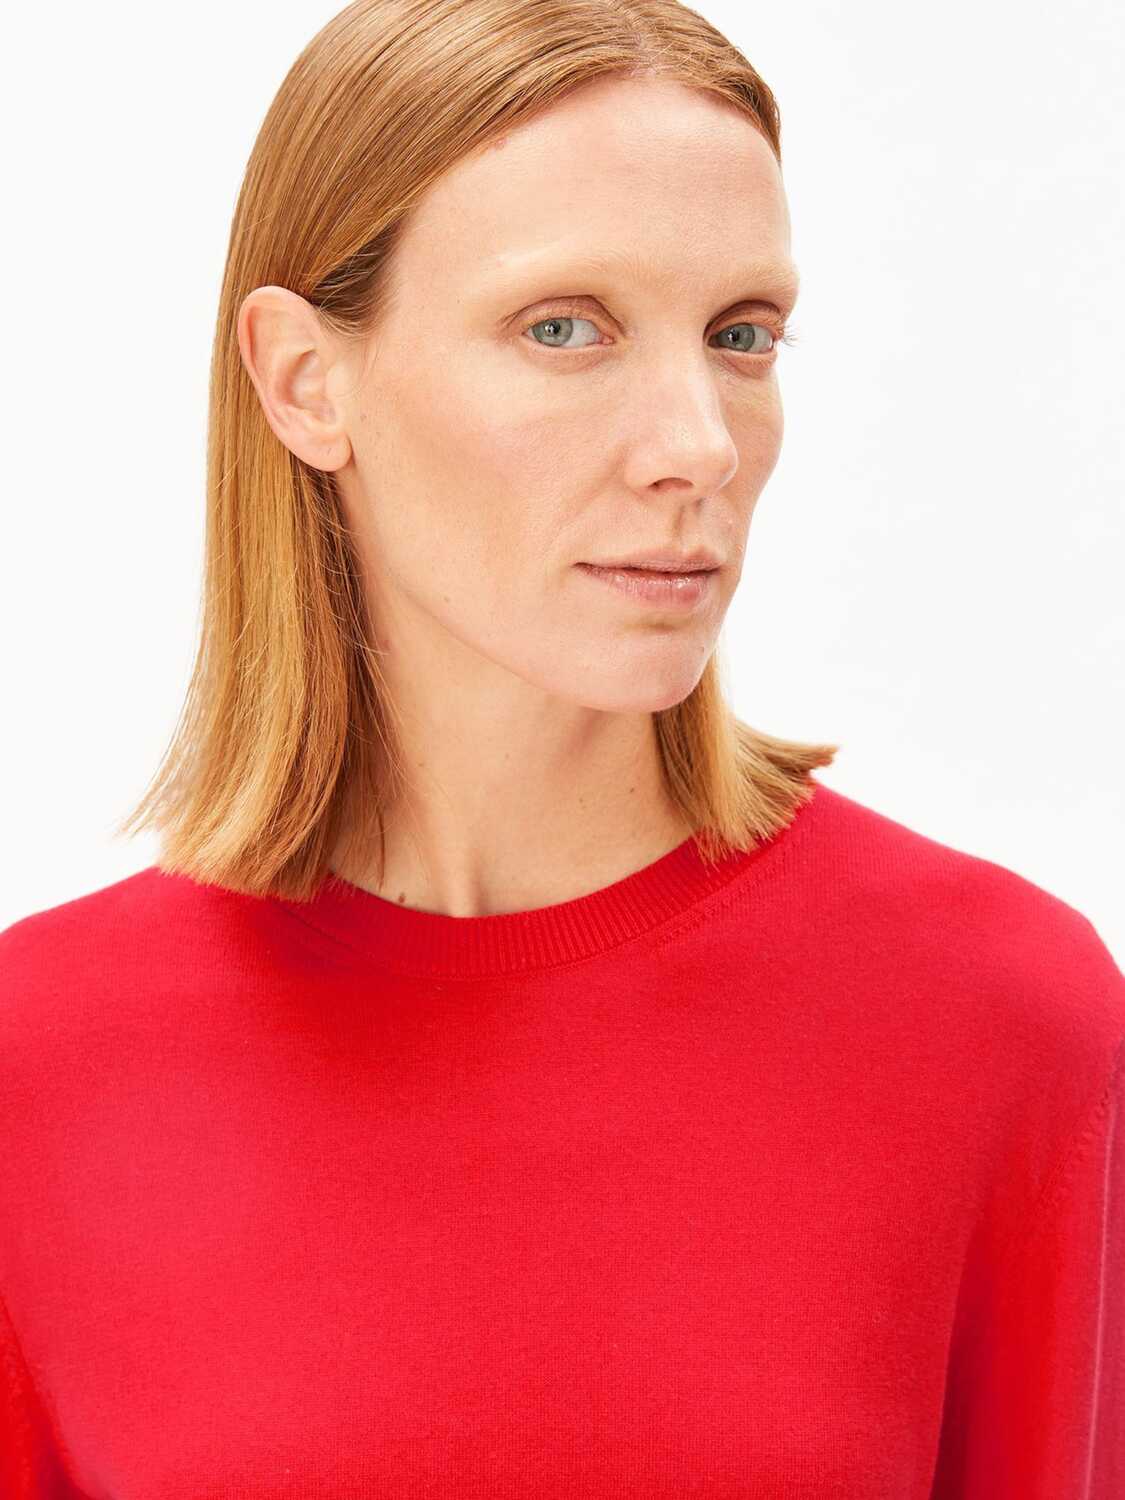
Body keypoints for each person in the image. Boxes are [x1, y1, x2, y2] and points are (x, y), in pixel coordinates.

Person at [1, 1, 1121, 1496]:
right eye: (563, 328)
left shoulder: (1002, 1020)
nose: (697, 444)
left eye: (740, 335)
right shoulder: (37, 1068)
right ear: (304, 379)